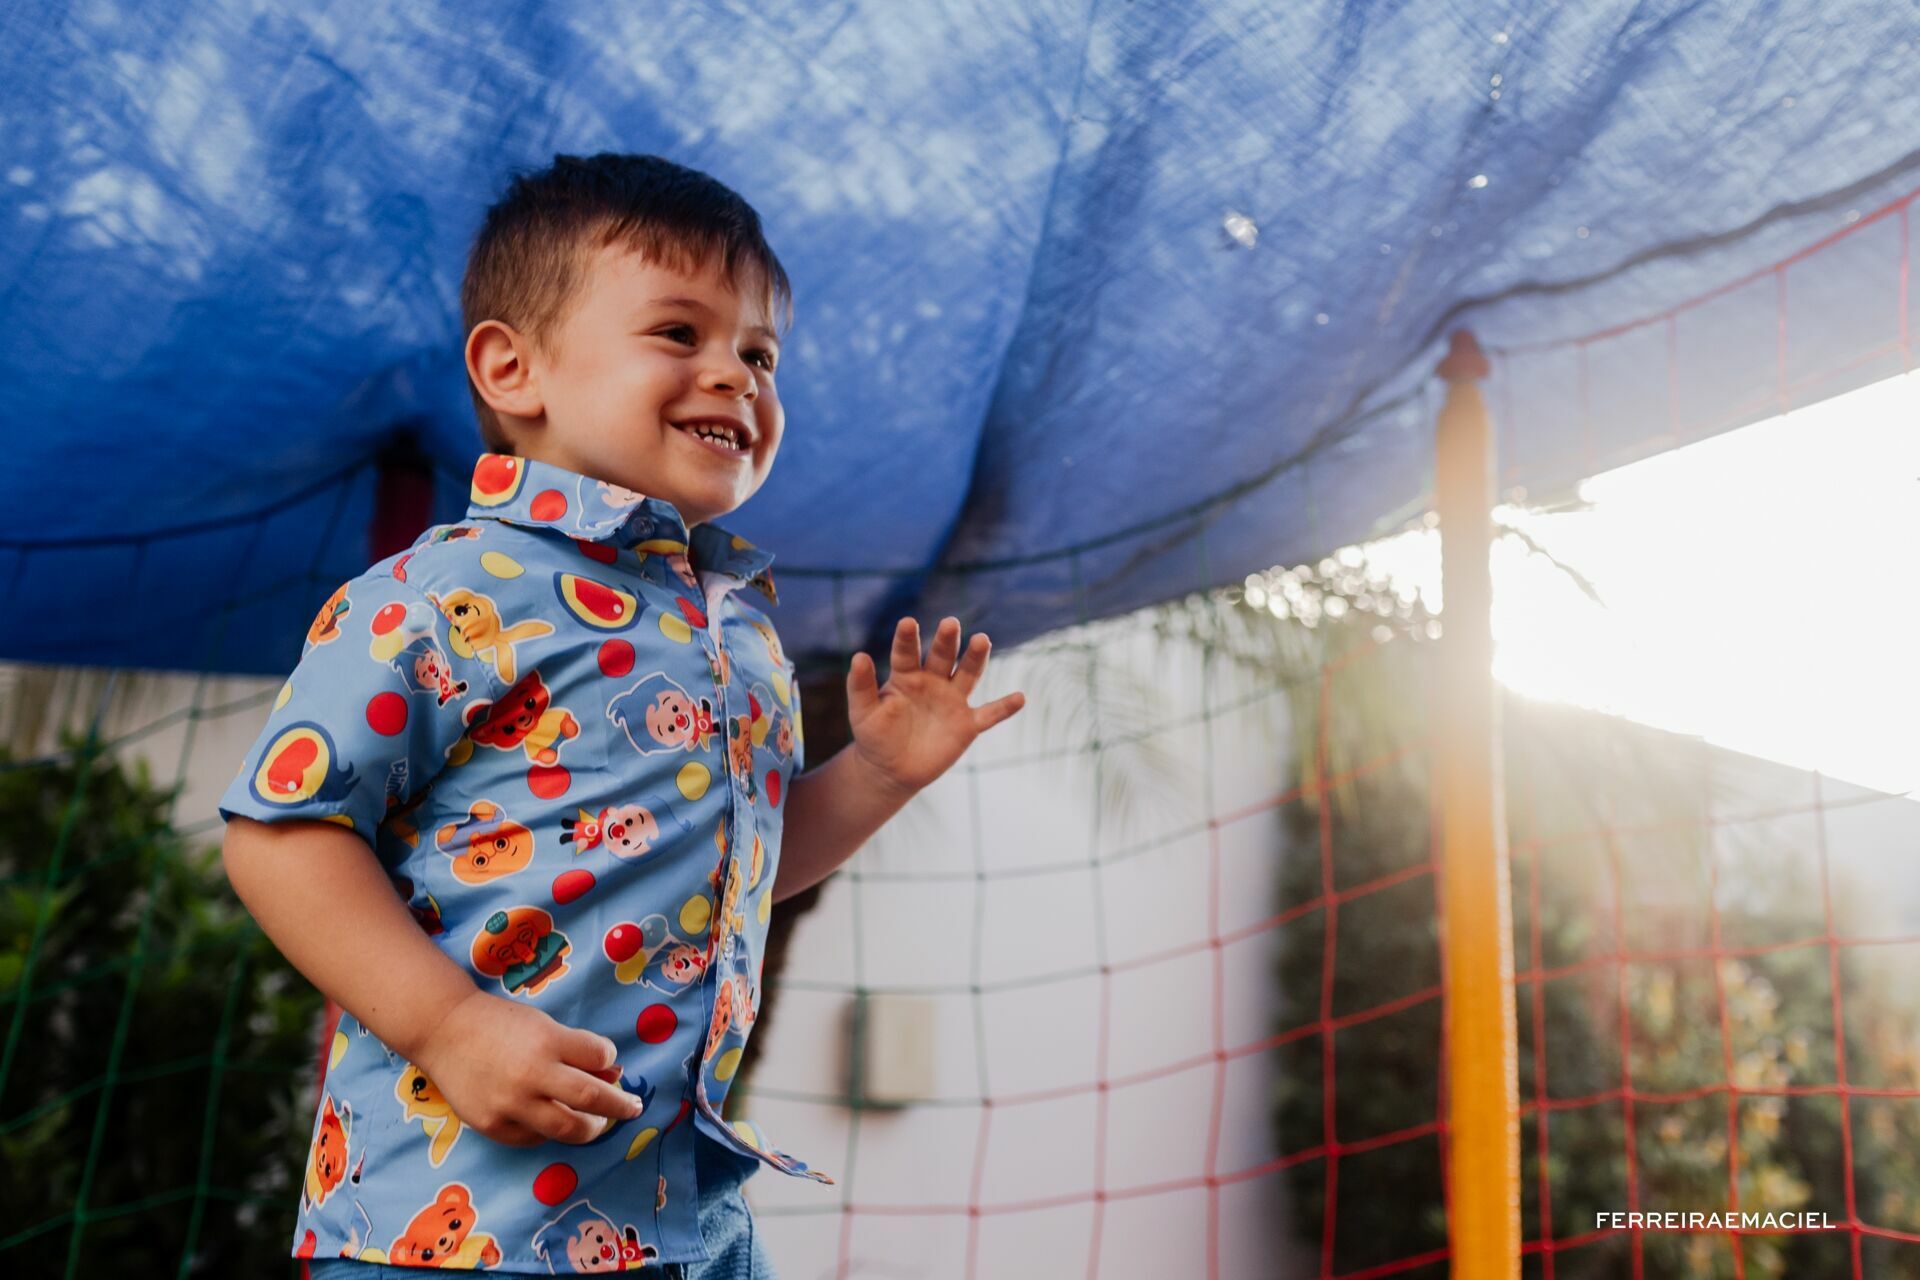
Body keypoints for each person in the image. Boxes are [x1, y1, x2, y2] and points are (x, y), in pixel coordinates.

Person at [219, 152, 1026, 1277]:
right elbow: (282, 832)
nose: (735, 375)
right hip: (457, 1225)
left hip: (682, 1219)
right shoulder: (442, 593)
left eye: (760, 354)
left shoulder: (739, 632)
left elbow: (739, 867)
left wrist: (878, 775)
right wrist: (452, 1025)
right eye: (680, 333)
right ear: (514, 368)